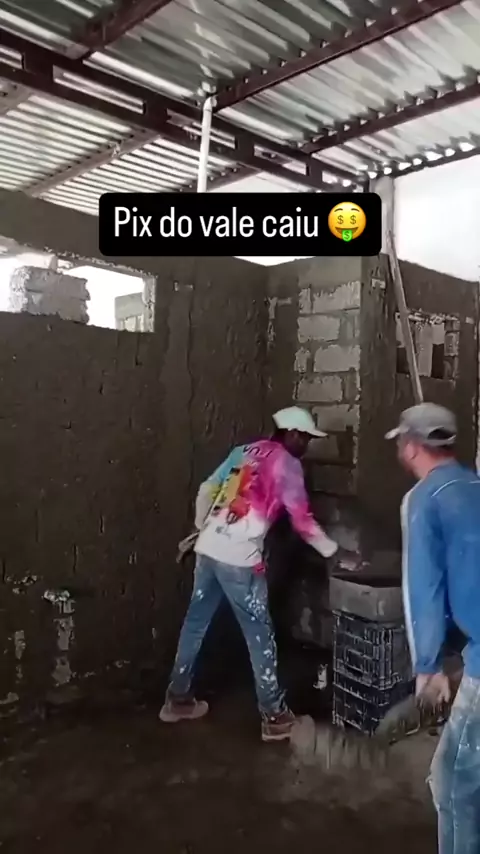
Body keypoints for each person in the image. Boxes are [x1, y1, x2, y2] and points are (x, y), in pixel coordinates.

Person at [160, 406, 355, 743]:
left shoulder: (244, 451)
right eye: (305, 438)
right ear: (291, 434)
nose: (306, 445)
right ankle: (274, 715)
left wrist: (202, 528)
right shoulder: (287, 464)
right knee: (259, 633)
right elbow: (302, 521)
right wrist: (334, 552)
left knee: (196, 622)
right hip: (239, 558)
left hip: (208, 549)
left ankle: (177, 699)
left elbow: (207, 488)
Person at [386, 402, 480, 854]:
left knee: (452, 781)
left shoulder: (423, 499)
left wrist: (428, 666)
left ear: (411, 446)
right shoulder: (475, 485)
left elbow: (423, 588)